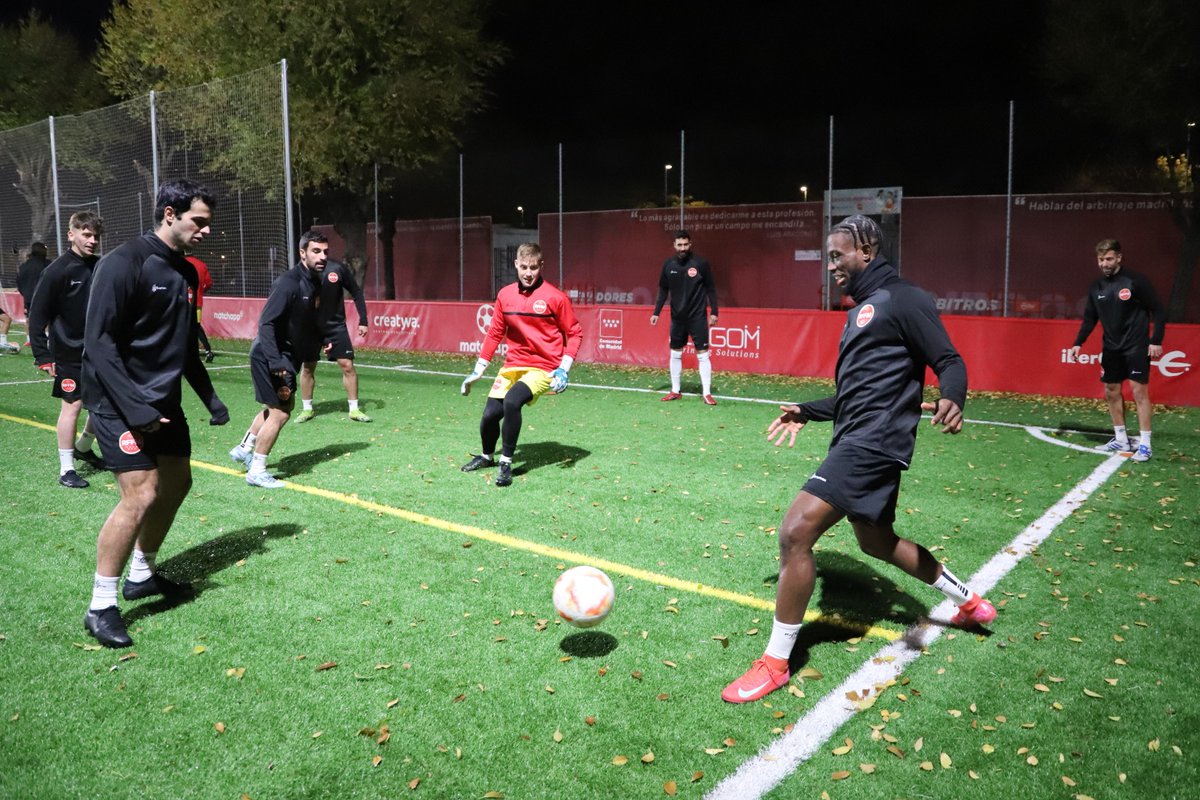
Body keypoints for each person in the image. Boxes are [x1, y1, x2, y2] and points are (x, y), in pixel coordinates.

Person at [722, 215, 995, 704]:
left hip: (872, 443)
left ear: (866, 250)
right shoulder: (863, 309)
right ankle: (969, 601)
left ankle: (775, 663)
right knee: (877, 542)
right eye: (828, 257)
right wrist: (807, 411)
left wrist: (954, 395)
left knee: (795, 531)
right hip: (859, 436)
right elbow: (855, 395)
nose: (831, 266)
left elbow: (948, 359)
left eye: (837, 255)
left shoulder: (903, 298)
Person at [81, 179, 230, 648]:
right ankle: (101, 605)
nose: (205, 231)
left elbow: (183, 345)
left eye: (208, 223)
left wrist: (209, 397)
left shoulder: (186, 273)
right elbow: (98, 343)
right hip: (117, 403)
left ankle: (142, 573)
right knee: (141, 495)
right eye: (198, 221)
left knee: (179, 482)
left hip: (162, 403)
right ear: (170, 214)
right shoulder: (123, 263)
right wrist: (135, 408)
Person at [460, 242, 582, 488]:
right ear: (515, 264)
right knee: (489, 416)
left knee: (513, 401)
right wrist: (478, 370)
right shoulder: (505, 295)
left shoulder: (555, 297)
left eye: (533, 267)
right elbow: (495, 333)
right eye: (524, 267)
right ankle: (486, 456)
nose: (528, 273)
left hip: (543, 367)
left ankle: (506, 463)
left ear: (541, 266)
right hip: (513, 365)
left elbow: (575, 333)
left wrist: (563, 369)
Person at [228, 231, 326, 488]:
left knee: (276, 408)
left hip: (284, 356)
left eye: (325, 252)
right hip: (271, 356)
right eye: (316, 251)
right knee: (281, 413)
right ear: (302, 252)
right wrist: (276, 363)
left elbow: (304, 322)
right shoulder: (288, 282)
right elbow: (267, 323)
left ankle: (244, 447)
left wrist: (322, 339)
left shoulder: (314, 282)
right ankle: (257, 470)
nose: (322, 256)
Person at [27, 211, 107, 488]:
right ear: (71, 234)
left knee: (102, 403)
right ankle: (66, 469)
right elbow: (37, 316)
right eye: (86, 234)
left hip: (99, 351)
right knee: (72, 407)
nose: (92, 240)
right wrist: (42, 355)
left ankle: (84, 447)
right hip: (68, 353)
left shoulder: (100, 266)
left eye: (96, 235)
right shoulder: (57, 270)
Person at [1068, 239, 1167, 463]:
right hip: (1111, 347)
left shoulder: (1136, 281)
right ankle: (1120, 439)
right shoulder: (1097, 287)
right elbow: (1090, 318)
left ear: (1119, 258)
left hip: (1136, 345)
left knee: (1138, 392)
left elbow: (1158, 310)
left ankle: (1145, 445)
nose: (1105, 263)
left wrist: (1156, 339)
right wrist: (1077, 343)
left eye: (1109, 258)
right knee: (1111, 390)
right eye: (1101, 259)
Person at [294, 256, 371, 423]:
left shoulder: (337, 269)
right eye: (315, 249)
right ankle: (307, 409)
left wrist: (363, 320)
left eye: (323, 249)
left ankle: (354, 409)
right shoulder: (301, 271)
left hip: (335, 326)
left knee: (347, 365)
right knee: (307, 367)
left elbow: (356, 292)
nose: (320, 254)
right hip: (310, 327)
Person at [650, 230, 719, 404]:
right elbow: (663, 290)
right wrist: (656, 312)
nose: (682, 248)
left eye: (685, 244)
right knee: (675, 353)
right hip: (678, 318)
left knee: (703, 354)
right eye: (679, 245)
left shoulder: (701, 263)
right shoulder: (668, 265)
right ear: (674, 245)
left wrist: (715, 312)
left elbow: (710, 288)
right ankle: (675, 390)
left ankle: (707, 393)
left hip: (697, 317)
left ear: (690, 244)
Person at [16, 241, 50, 348]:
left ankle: (30, 339)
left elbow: (19, 282)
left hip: (29, 297)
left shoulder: (24, 266)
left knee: (30, 319)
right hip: (45, 296)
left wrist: (25, 293)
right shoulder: (48, 264)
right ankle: (48, 339)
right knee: (48, 318)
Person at [186, 255, 215, 362]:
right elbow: (208, 283)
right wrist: (200, 292)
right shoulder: (201, 264)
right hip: (197, 301)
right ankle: (208, 350)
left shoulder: (179, 262)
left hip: (182, 301)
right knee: (196, 326)